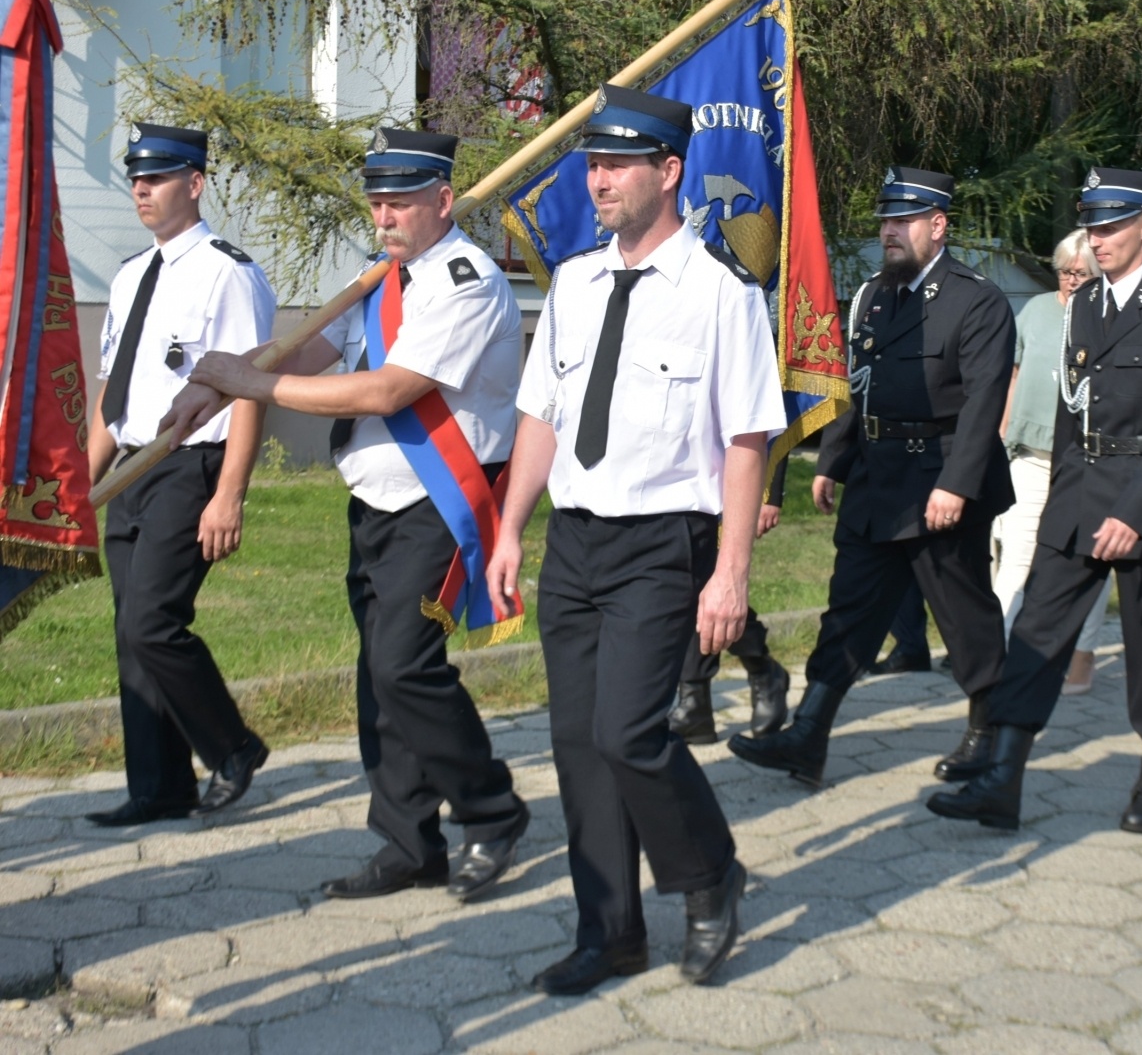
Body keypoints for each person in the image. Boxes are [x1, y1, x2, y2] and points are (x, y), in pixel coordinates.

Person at [164, 127, 530, 899]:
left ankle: (492, 811)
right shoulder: (379, 278)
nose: (385, 216)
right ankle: (409, 843)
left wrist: (254, 387)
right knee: (379, 676)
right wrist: (218, 383)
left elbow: (388, 391)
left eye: (401, 202)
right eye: (376, 202)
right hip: (375, 502)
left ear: (443, 199)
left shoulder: (467, 281)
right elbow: (306, 353)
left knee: (406, 666)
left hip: (438, 505)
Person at [484, 85, 786, 995]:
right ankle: (610, 933)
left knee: (628, 734)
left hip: (662, 545)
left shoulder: (723, 294)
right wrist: (510, 529)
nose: (599, 180)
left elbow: (746, 441)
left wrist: (730, 574)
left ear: (669, 171)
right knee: (578, 745)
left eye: (618, 164)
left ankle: (708, 875)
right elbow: (541, 414)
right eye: (594, 164)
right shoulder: (574, 284)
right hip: (575, 541)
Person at [927, 167, 1142, 834]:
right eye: (1092, 227)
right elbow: (1069, 413)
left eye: (1111, 227)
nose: (1097, 239)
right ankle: (1002, 778)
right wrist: (1060, 497)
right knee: (1036, 632)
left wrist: (1134, 514)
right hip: (1079, 493)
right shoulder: (1083, 305)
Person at [727, 165, 1015, 787]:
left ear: (938, 226)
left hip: (939, 479)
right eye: (886, 220)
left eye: (904, 220)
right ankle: (808, 735)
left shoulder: (977, 300)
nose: (890, 231)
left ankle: (990, 735)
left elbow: (985, 401)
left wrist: (957, 484)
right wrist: (833, 460)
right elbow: (857, 387)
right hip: (877, 480)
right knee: (849, 611)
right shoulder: (874, 296)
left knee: (964, 615)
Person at [85, 123, 273, 828]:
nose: (142, 189)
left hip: (190, 464)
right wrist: (80, 488)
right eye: (136, 177)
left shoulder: (229, 272)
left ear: (194, 184)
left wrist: (229, 493)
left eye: (157, 177)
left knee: (153, 621)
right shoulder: (130, 274)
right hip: (131, 467)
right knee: (130, 630)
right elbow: (114, 395)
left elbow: (250, 388)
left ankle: (233, 747)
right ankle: (161, 785)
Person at [995, 228, 1110, 694]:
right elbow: (1013, 373)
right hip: (1030, 454)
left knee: (1086, 559)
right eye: (1064, 271)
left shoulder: (1109, 316)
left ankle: (1082, 656)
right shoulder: (1036, 310)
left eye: (1081, 273)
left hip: (1085, 462)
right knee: (1016, 558)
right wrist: (1002, 431)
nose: (1070, 280)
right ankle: (999, 657)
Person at [669, 457, 790, 743]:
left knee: (711, 585)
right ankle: (695, 701)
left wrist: (769, 492)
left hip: (728, 481)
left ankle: (761, 670)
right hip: (670, 482)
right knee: (685, 584)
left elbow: (765, 431)